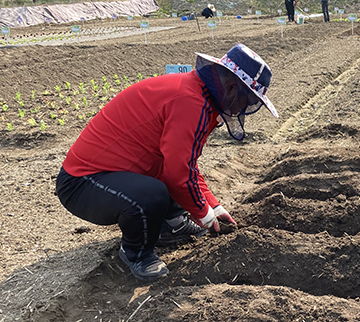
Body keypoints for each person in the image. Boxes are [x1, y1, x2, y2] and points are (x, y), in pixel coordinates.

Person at [55, 44, 279, 282]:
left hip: (118, 174)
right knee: (152, 194)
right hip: (83, 184)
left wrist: (214, 206)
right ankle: (136, 253)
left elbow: (186, 164)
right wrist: (204, 215)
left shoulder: (198, 96)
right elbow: (178, 176)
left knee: (173, 179)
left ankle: (170, 226)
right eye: (247, 100)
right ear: (232, 87)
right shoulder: (190, 102)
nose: (245, 108)